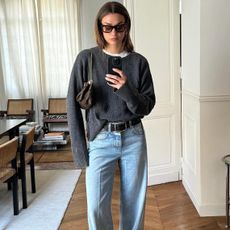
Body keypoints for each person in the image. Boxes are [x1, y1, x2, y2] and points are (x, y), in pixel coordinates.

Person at [67, 2, 156, 229]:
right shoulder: (86, 59)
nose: (113, 33)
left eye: (119, 27)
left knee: (134, 203)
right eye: (107, 27)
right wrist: (79, 149)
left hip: (133, 136)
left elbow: (146, 107)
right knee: (96, 206)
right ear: (99, 28)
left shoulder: (139, 63)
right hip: (100, 138)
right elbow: (72, 105)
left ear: (127, 27)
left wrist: (126, 90)